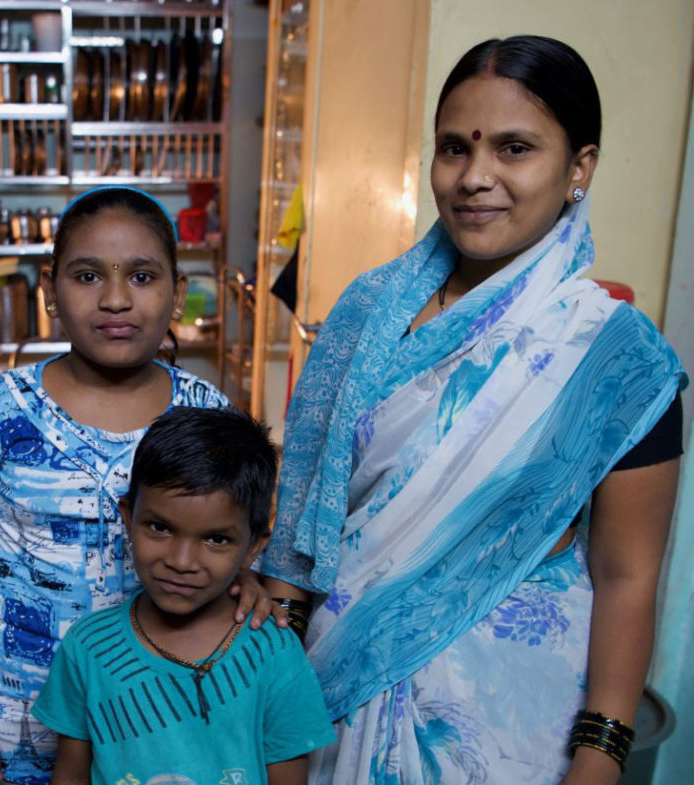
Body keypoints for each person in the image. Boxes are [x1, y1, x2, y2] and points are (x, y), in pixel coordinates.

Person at [262, 36, 686, 785]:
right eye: (454, 148)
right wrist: (272, 690)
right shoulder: (366, 313)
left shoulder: (617, 359)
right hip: (329, 695)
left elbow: (627, 576)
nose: (474, 177)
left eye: (514, 148)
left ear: (578, 168)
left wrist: (600, 755)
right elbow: (302, 517)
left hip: (507, 718)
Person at [0, 186, 279, 785]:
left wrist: (248, 583)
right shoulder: (0, 412)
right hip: (22, 719)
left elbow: (228, 536)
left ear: (177, 296)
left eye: (142, 276)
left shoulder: (206, 414)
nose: (116, 299)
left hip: (154, 718)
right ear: (49, 292)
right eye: (87, 276)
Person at [33, 407, 336, 785]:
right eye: (159, 527)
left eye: (216, 539)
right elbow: (71, 773)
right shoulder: (88, 648)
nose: (181, 561)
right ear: (127, 517)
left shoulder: (273, 653)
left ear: (253, 547)